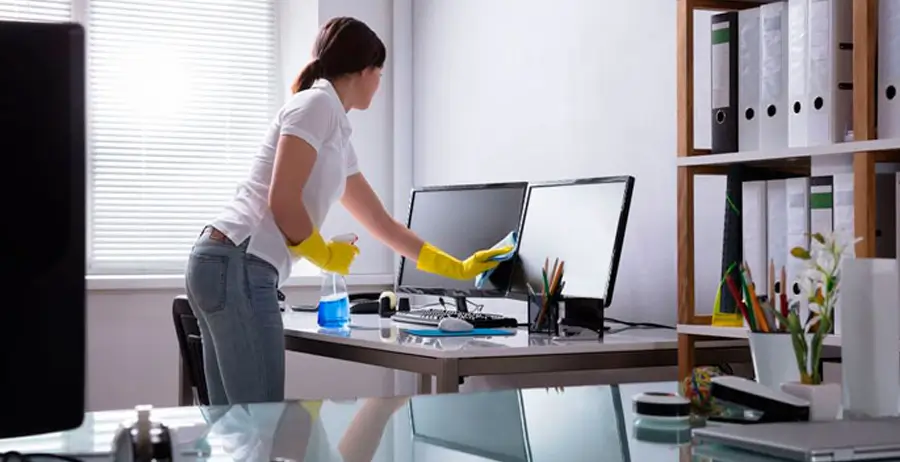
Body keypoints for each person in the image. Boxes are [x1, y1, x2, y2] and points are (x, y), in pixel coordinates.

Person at [184, 16, 511, 406]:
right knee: (260, 421)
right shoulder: (317, 104)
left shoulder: (335, 132)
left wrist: (456, 267)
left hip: (225, 260)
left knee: (237, 424)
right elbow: (283, 200)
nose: (379, 83)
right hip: (239, 260)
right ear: (364, 70)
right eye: (380, 73)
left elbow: (382, 223)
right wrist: (324, 255)